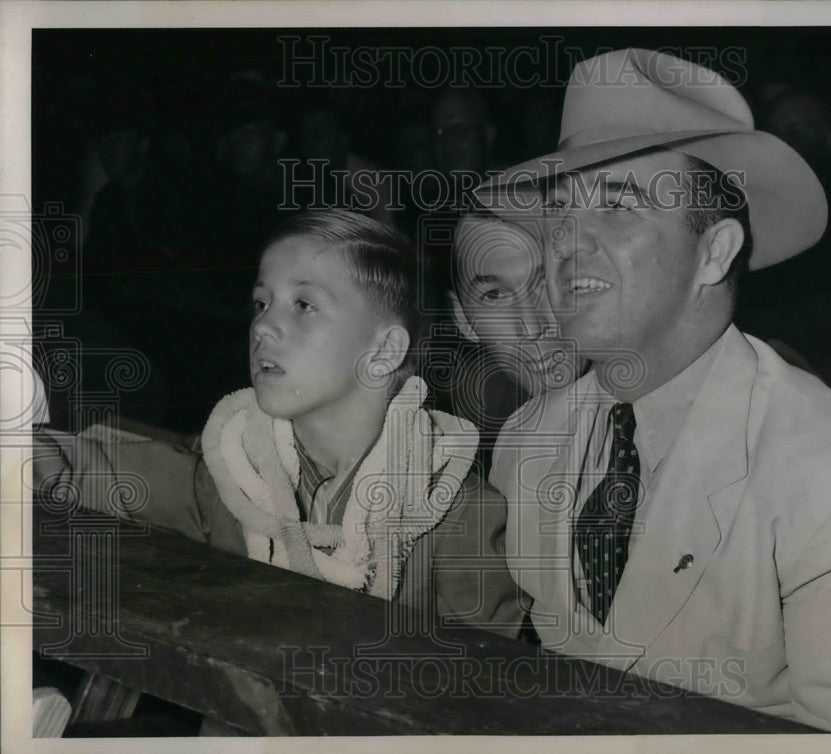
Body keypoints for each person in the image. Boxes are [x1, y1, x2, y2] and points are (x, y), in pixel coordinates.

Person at [478, 49, 831, 732]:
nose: (566, 242)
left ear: (714, 252)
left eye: (617, 205)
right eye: (558, 212)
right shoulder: (528, 440)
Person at [34, 209, 525, 637]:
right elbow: (109, 474)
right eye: (261, 303)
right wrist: (38, 455)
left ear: (384, 351)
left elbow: (486, 684)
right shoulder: (233, 474)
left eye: (304, 305)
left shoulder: (457, 514)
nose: (263, 325)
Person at [440, 210, 589, 478]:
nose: (532, 327)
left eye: (544, 281)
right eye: (494, 295)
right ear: (462, 319)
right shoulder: (508, 455)